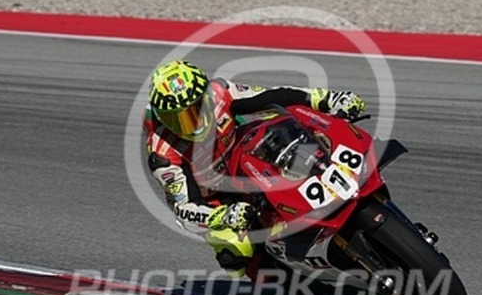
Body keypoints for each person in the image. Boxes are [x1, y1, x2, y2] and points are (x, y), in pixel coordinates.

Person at [143, 60, 366, 278]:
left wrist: (326, 99)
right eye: (178, 119)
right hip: (217, 197)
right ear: (162, 118)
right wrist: (222, 215)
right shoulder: (162, 153)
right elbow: (184, 209)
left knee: (297, 129)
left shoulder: (220, 92)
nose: (192, 123)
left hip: (246, 157)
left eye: (197, 109)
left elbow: (274, 95)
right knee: (235, 250)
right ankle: (277, 280)